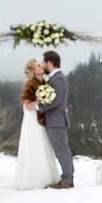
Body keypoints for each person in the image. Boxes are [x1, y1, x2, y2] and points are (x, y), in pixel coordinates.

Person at [24, 50, 73, 188]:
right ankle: (68, 177)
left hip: (56, 121)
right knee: (61, 149)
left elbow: (55, 101)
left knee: (61, 150)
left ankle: (67, 179)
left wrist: (38, 106)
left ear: (49, 63)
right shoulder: (55, 78)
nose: (43, 66)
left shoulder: (58, 79)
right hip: (55, 120)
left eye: (44, 63)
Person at [14, 59, 61, 190]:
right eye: (38, 65)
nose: (41, 66)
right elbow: (26, 104)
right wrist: (40, 102)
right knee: (35, 144)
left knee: (43, 144)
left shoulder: (44, 82)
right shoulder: (30, 83)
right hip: (32, 120)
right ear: (33, 70)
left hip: (41, 118)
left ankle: (47, 176)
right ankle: (35, 178)